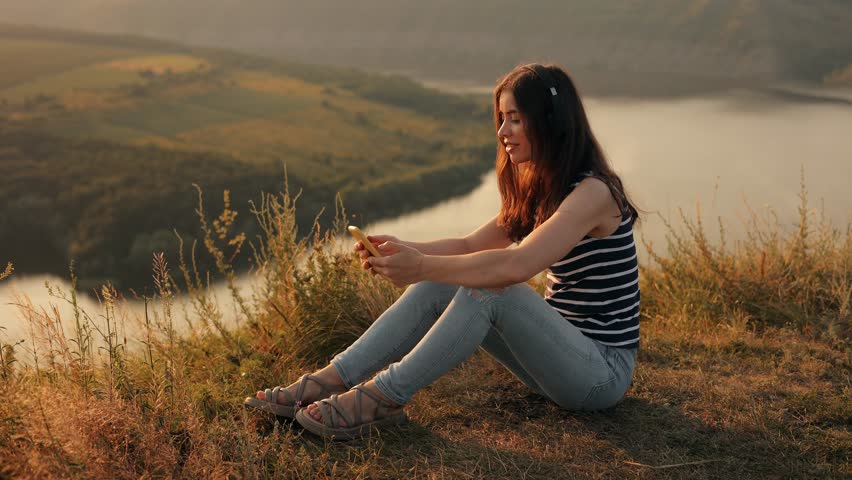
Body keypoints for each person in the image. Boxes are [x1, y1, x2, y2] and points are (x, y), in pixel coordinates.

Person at [244, 63, 641, 440]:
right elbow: (470, 246)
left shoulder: (594, 192)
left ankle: (382, 398)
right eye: (502, 118)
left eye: (516, 118)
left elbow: (518, 264)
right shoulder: (543, 186)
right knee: (445, 279)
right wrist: (405, 251)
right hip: (558, 362)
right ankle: (329, 379)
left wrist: (420, 265)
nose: (503, 130)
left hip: (601, 374)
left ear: (552, 120)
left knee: (491, 288)